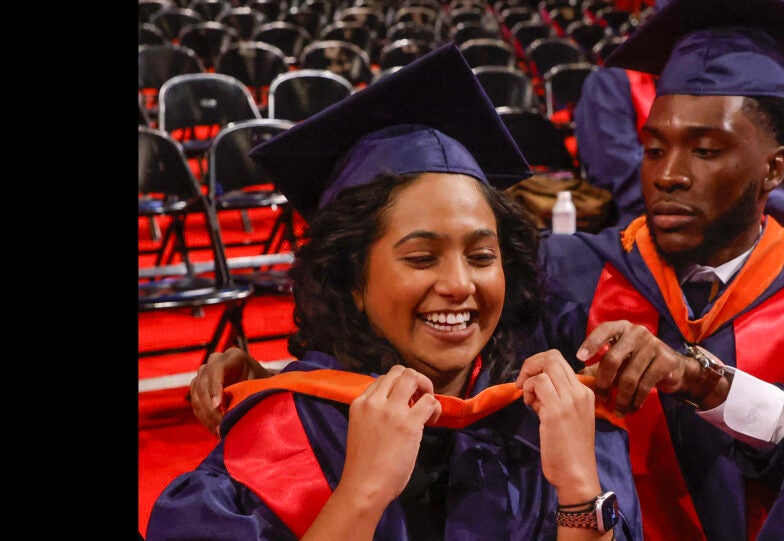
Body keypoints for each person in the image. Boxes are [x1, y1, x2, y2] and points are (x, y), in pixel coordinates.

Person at [190, 1, 784, 539]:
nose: (667, 174)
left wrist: (706, 380)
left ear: (776, 165)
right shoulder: (572, 269)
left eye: (705, 150)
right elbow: (439, 338)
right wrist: (283, 371)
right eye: (653, 147)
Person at [148, 43, 641, 541]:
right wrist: (362, 493)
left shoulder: (550, 415)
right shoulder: (284, 437)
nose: (459, 285)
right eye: (421, 258)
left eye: (482, 256)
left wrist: (578, 489)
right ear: (350, 280)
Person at [574, 0, 784, 231]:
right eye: (654, 151)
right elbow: (620, 174)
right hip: (642, 226)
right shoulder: (612, 85)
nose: (668, 175)